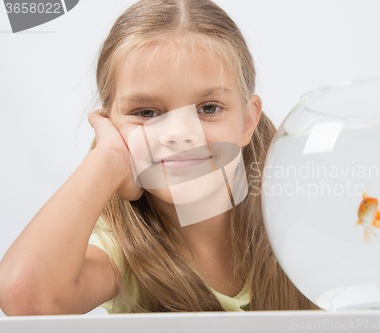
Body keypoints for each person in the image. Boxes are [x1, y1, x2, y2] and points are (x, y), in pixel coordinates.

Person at [0, 0, 320, 314]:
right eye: (147, 112)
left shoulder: (297, 224)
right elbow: (24, 297)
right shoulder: (122, 253)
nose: (179, 133)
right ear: (110, 125)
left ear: (247, 122)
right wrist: (107, 159)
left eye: (208, 108)